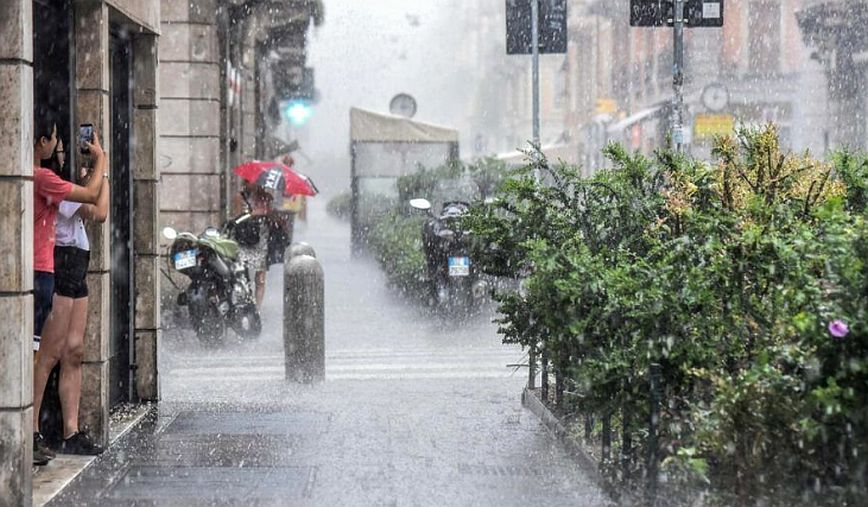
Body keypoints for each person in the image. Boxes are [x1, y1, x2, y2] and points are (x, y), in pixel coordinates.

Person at [31, 117, 106, 466]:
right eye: (59, 149)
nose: (62, 155)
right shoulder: (50, 185)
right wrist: (101, 162)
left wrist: (97, 167)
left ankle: (71, 432)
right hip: (58, 267)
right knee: (48, 354)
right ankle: (32, 429)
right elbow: (97, 206)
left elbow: (97, 209)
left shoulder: (59, 184)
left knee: (74, 350)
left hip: (77, 269)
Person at [234, 181, 274, 306]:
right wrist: (251, 213)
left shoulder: (266, 198)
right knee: (242, 273)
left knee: (260, 278)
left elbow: (270, 214)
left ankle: (257, 308)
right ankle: (245, 302)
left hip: (260, 239)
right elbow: (236, 216)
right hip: (244, 237)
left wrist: (263, 211)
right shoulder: (240, 197)